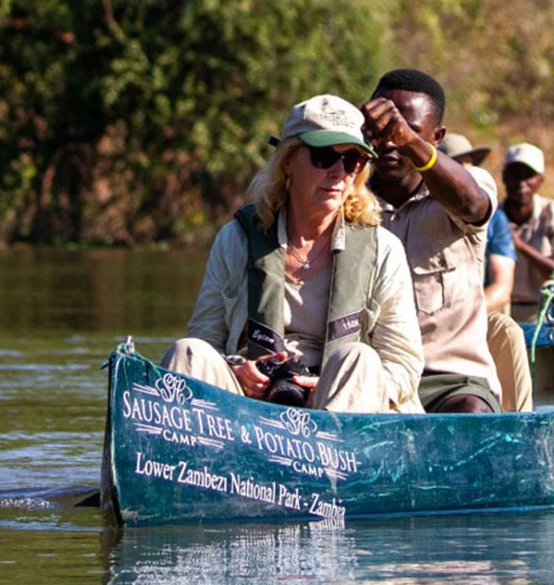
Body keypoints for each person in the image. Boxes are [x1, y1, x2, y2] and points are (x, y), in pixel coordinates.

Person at [164, 94, 425, 413]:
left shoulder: (383, 249)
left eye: (352, 160)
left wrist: (336, 386)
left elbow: (403, 364)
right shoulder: (236, 239)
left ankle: (328, 454)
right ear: (288, 161)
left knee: (359, 358)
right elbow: (206, 337)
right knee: (188, 352)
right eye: (323, 156)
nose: (338, 172)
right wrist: (236, 369)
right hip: (251, 404)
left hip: (345, 409)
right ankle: (189, 458)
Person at [362, 69, 532, 413]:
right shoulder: (346, 194)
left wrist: (408, 142)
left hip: (449, 380)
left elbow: (473, 204)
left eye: (408, 131)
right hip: (372, 377)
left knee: (471, 411)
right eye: (381, 131)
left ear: (436, 137)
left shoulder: (468, 185)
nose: (389, 142)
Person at [491, 142, 554, 318]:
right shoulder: (491, 216)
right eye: (514, 175)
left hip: (545, 311)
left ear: (540, 180)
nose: (521, 183)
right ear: (504, 177)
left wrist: (520, 246)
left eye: (529, 176)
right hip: (499, 311)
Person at [441, 133, 518, 317]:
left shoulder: (495, 218)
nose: (465, 171)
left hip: (475, 313)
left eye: (468, 164)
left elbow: (502, 287)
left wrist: (464, 318)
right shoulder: (418, 212)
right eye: (455, 164)